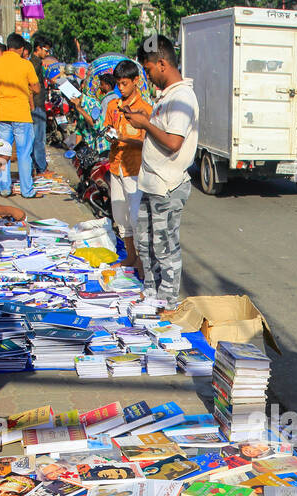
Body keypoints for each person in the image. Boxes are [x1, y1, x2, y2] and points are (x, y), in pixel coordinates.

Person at [130, 35, 199, 306]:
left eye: (147, 70)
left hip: (167, 187)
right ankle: (151, 293)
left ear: (161, 63)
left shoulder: (182, 97)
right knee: (146, 245)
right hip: (152, 184)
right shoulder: (166, 97)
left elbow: (173, 143)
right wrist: (145, 121)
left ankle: (167, 303)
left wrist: (146, 125)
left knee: (165, 248)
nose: (148, 77)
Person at [105, 60, 151, 270]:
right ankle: (130, 256)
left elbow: (148, 141)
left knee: (136, 217)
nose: (121, 88)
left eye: (124, 83)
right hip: (115, 165)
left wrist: (125, 138)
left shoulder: (144, 109)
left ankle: (142, 262)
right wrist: (111, 136)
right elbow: (106, 128)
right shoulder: (113, 106)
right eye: (118, 84)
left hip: (134, 169)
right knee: (120, 215)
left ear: (135, 81)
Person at [0, 33, 42, 199]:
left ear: (8, 46)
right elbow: (37, 88)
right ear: (21, 48)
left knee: (3, 151)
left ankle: (4, 188)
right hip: (22, 114)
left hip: (2, 114)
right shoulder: (26, 65)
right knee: (24, 153)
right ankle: (27, 190)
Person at [30, 33, 53, 176]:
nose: (47, 53)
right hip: (36, 105)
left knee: (36, 138)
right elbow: (31, 86)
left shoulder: (36, 62)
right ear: (38, 48)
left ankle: (37, 166)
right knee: (39, 138)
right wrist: (33, 106)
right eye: (46, 50)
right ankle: (41, 168)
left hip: (37, 104)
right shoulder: (35, 63)